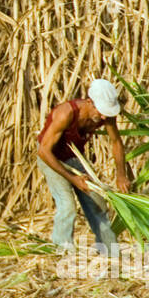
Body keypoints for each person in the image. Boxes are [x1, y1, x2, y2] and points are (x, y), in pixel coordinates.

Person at [36, 79, 130, 251]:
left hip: (74, 156)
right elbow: (44, 151)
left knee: (97, 201)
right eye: (101, 111)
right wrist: (73, 179)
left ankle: (109, 248)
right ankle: (62, 251)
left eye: (106, 114)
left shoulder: (105, 116)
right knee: (67, 205)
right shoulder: (66, 114)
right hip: (51, 157)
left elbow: (116, 142)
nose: (103, 117)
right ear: (89, 102)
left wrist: (121, 174)